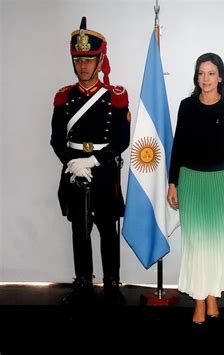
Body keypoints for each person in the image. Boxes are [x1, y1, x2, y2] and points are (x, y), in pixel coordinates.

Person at [50, 17, 131, 305]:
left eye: (89, 60)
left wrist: (94, 161)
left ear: (100, 61)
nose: (83, 66)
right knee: (79, 231)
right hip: (74, 172)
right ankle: (83, 283)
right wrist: (73, 163)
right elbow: (57, 139)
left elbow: (122, 139)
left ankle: (111, 284)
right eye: (78, 60)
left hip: (104, 171)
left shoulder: (115, 97)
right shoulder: (64, 97)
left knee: (108, 231)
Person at [167, 53, 224, 324]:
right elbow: (177, 146)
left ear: (220, 76)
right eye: (201, 73)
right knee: (197, 244)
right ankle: (200, 301)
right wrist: (172, 182)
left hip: (220, 182)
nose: (206, 79)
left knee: (216, 244)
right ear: (196, 77)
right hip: (190, 182)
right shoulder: (186, 106)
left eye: (211, 73)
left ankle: (212, 296)